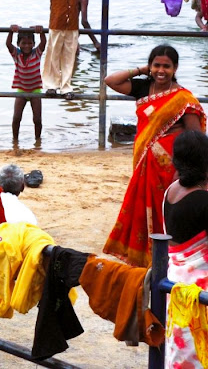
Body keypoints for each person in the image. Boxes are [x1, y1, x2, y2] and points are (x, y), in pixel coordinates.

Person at [102, 44, 206, 266]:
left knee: (164, 207)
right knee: (142, 205)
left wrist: (184, 167)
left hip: (170, 165)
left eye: (166, 66)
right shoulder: (143, 88)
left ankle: (167, 255)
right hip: (144, 162)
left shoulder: (182, 98)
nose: (161, 70)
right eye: (156, 65)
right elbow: (111, 81)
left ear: (175, 68)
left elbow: (196, 137)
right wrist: (142, 69)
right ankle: (146, 254)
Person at [162, 130, 208, 368]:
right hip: (199, 289)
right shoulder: (203, 200)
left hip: (174, 281)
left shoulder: (170, 192)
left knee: (179, 345)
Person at [33, 0, 98, 100]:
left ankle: (66, 87)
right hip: (56, 25)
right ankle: (51, 86)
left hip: (72, 26)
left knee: (69, 57)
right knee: (53, 55)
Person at [6, 25, 46, 142]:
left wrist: (41, 32)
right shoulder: (17, 55)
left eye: (29, 43)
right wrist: (11, 31)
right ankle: (15, 140)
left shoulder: (36, 53)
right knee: (16, 118)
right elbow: (8, 44)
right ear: (18, 44)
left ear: (34, 44)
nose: (27, 46)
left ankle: (38, 140)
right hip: (22, 90)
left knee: (37, 119)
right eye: (23, 43)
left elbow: (44, 43)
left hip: (35, 90)